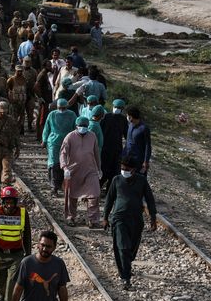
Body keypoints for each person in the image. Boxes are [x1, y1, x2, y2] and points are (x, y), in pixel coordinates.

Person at [102, 156, 158, 290]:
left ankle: (126, 265)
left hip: (136, 220)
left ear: (133, 170)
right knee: (123, 248)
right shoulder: (116, 180)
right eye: (122, 168)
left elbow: (150, 200)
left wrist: (153, 218)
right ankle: (125, 278)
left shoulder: (142, 181)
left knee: (132, 248)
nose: (124, 171)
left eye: (126, 169)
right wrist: (105, 217)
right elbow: (109, 200)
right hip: (119, 219)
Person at [60, 117, 101, 228]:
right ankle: (70, 217)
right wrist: (65, 168)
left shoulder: (92, 136)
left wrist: (99, 169)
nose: (83, 128)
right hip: (73, 171)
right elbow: (63, 153)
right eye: (81, 126)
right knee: (71, 195)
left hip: (90, 170)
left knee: (94, 194)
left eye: (85, 126)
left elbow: (96, 153)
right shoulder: (70, 137)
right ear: (76, 126)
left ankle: (93, 220)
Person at [41, 99, 77, 197]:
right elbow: (46, 128)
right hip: (54, 141)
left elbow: (75, 128)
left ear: (67, 107)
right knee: (54, 164)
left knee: (65, 164)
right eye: (59, 108)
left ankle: (62, 184)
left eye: (63, 108)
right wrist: (44, 139)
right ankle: (54, 187)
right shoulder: (52, 115)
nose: (61, 110)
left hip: (67, 141)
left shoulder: (72, 115)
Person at [0, 101, 20, 197]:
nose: (2, 113)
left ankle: (6, 191)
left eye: (4, 111)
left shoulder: (11, 121)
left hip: (7, 149)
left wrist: (18, 148)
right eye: (1, 111)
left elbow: (16, 135)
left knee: (7, 171)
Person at [100, 99, 129, 190]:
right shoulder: (106, 117)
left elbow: (126, 134)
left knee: (114, 172)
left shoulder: (123, 120)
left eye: (119, 108)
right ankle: (97, 189)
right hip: (105, 148)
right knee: (103, 170)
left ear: (122, 109)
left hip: (117, 150)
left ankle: (109, 191)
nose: (117, 109)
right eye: (116, 107)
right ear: (112, 106)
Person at [123, 106, 151, 177]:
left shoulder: (144, 128)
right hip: (128, 157)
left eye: (128, 116)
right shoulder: (130, 125)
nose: (127, 117)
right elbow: (128, 141)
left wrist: (146, 161)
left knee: (138, 178)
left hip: (138, 159)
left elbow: (148, 146)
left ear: (131, 117)